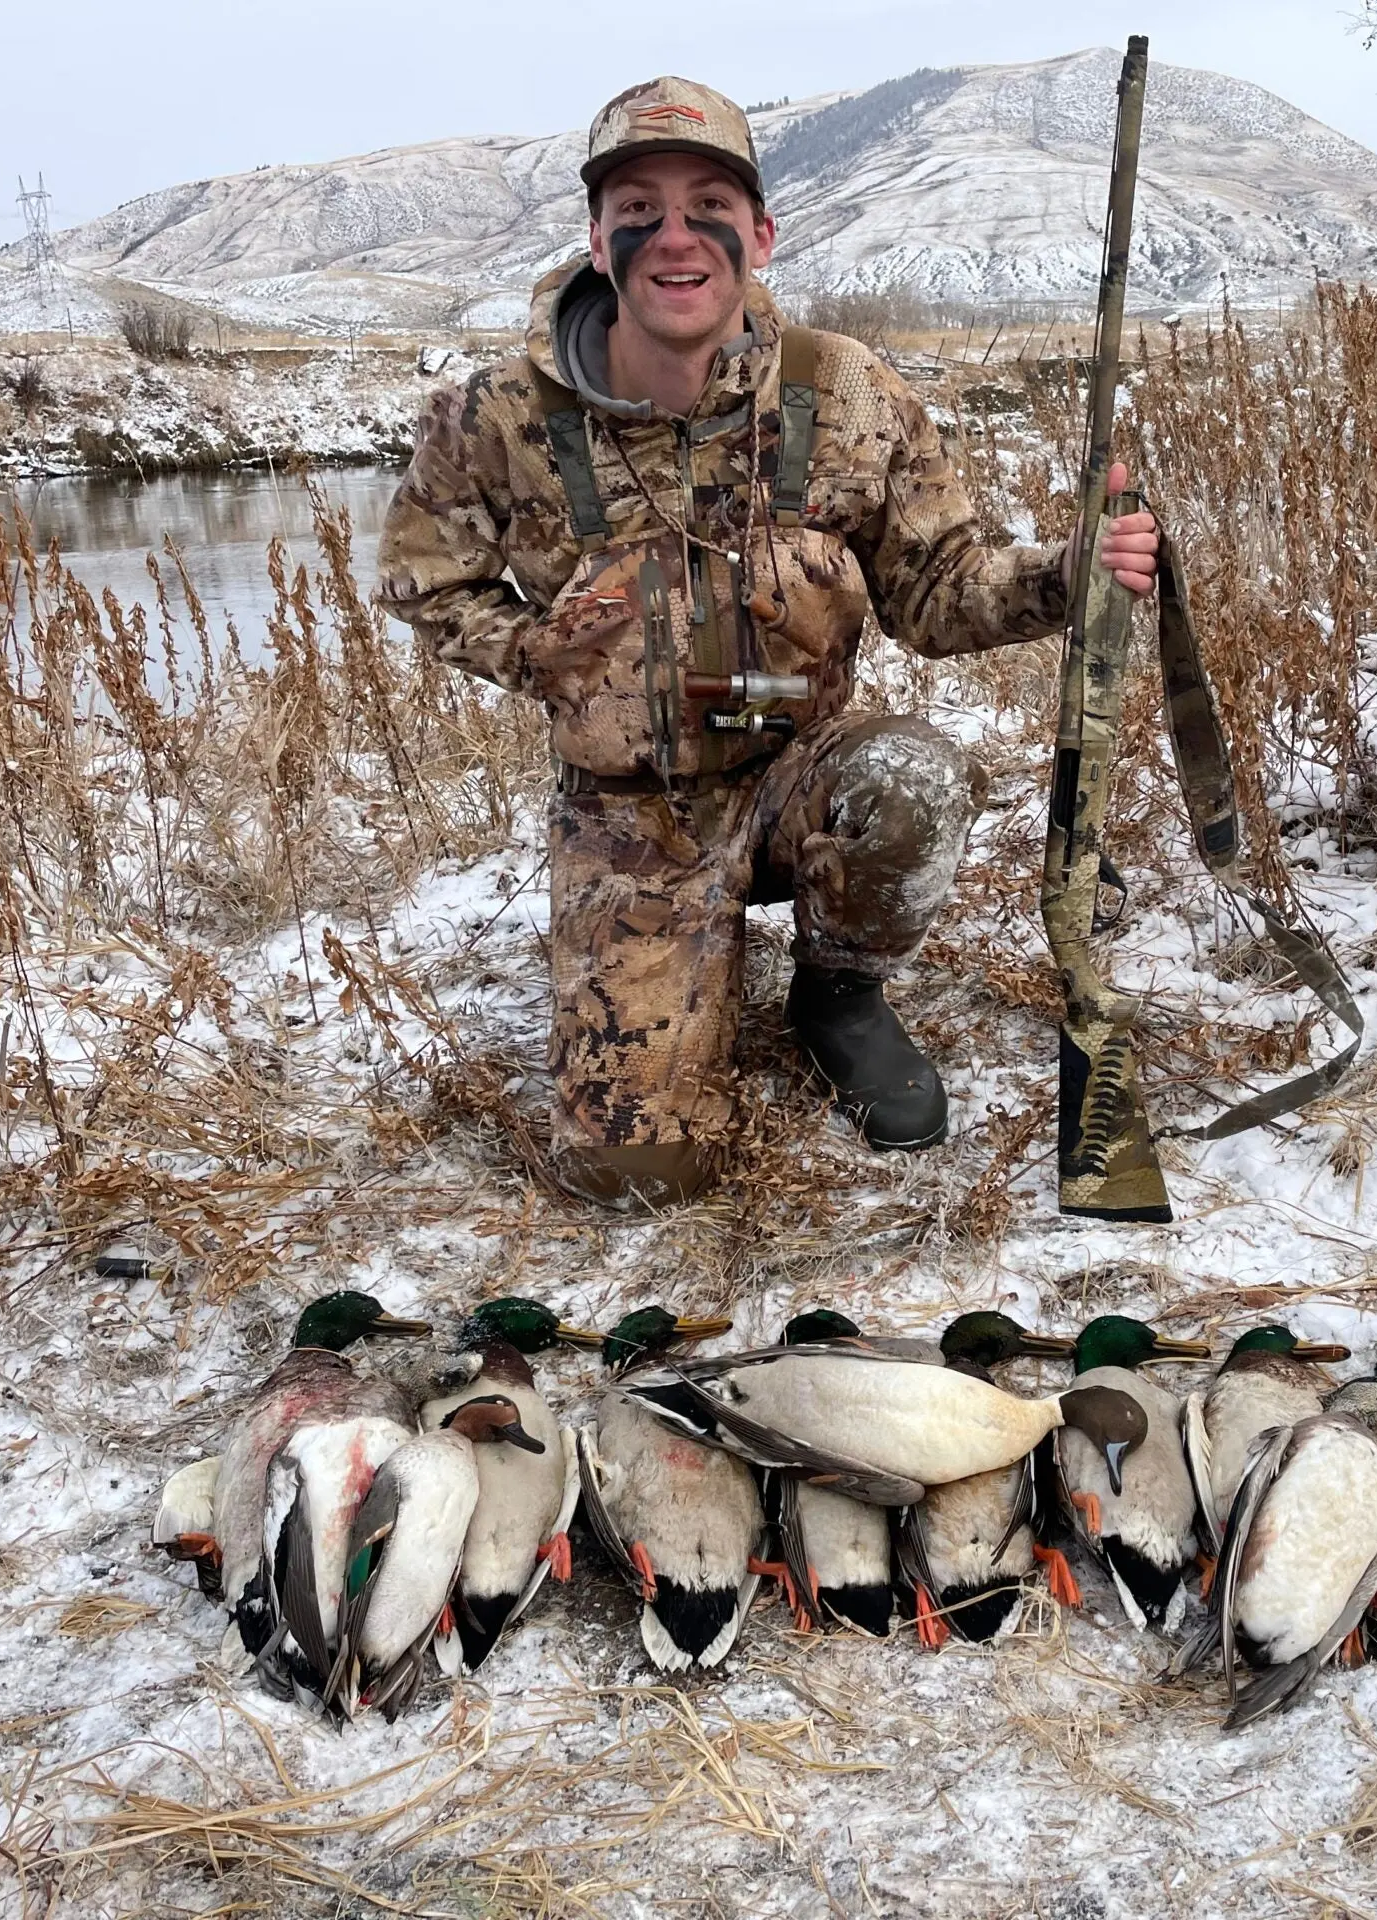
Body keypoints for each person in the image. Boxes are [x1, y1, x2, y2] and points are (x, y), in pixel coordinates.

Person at [376, 75, 1158, 1209]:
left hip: (803, 773)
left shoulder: (847, 390)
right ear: (598, 239)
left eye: (708, 206)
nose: (673, 235)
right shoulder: (487, 416)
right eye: (637, 207)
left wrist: (1066, 577)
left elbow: (939, 591)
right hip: (631, 809)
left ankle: (836, 993)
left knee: (909, 779)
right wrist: (539, 653)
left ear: (759, 233)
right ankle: (679, 961)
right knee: (636, 1172)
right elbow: (423, 584)